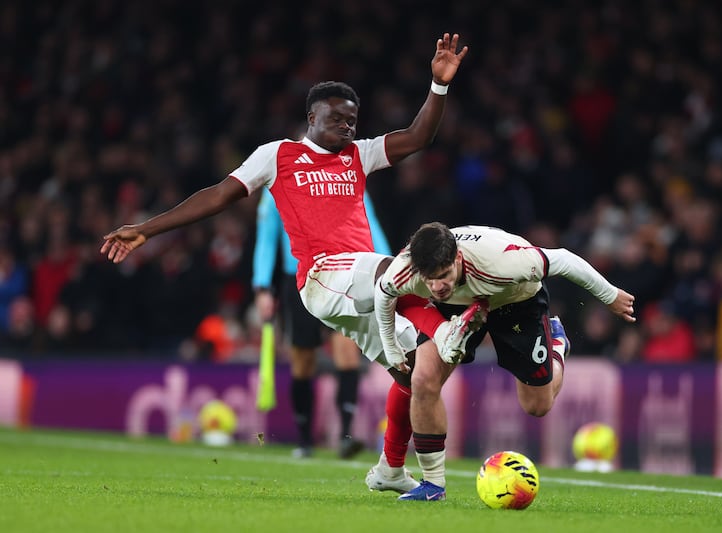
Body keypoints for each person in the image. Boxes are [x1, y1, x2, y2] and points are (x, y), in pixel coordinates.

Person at [101, 33, 480, 493]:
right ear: (312, 117)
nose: (347, 127)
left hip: (362, 280)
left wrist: (438, 86)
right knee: (395, 272)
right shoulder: (278, 155)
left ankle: (390, 470)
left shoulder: (358, 156)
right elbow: (219, 195)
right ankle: (451, 320)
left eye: (353, 120)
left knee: (417, 372)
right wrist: (147, 228)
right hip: (322, 278)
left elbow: (419, 136)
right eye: (338, 119)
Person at [375, 222, 636, 500]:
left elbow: (563, 259)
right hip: (454, 308)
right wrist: (391, 348)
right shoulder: (409, 267)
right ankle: (433, 485)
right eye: (429, 279)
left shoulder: (505, 260)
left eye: (443, 275)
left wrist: (609, 295)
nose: (437, 286)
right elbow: (384, 293)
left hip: (515, 302)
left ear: (458, 258)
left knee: (537, 405)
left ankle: (557, 346)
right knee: (422, 380)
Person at [252, 190, 392, 459]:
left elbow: (369, 222)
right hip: (298, 279)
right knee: (303, 361)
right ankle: (305, 440)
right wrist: (262, 286)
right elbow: (267, 237)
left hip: (342, 275)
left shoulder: (347, 178)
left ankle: (345, 437)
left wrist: (390, 269)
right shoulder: (279, 185)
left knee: (347, 353)